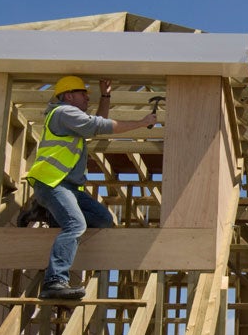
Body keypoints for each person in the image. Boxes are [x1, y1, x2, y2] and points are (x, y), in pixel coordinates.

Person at [26, 76, 158, 300]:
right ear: (68, 96)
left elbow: (96, 124)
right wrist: (141, 122)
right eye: (82, 94)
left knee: (103, 219)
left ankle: (46, 212)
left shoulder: (71, 119)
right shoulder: (62, 113)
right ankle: (54, 281)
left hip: (68, 187)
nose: (88, 97)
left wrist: (106, 96)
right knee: (76, 224)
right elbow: (96, 125)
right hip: (52, 182)